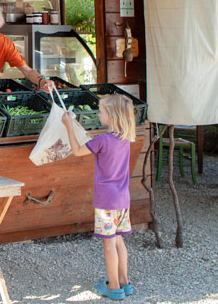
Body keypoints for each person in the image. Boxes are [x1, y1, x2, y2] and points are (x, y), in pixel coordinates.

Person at [63, 94, 136, 301]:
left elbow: (77, 151)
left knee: (108, 243)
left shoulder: (102, 140)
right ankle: (124, 282)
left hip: (106, 202)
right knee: (119, 240)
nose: (99, 114)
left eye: (101, 111)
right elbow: (92, 142)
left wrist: (69, 125)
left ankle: (112, 287)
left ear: (111, 116)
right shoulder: (125, 138)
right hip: (122, 199)